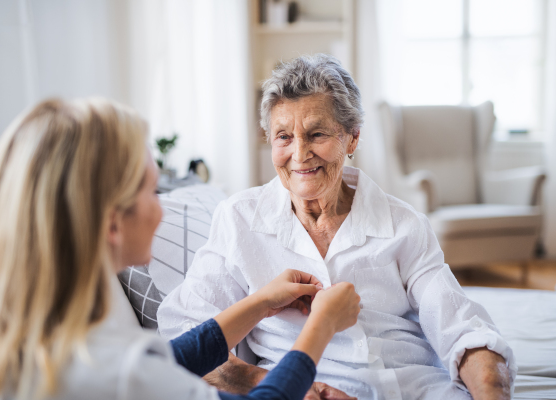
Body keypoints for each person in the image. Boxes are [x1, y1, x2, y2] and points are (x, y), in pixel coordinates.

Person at [157, 54, 516, 400]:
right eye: (284, 137)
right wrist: (266, 382)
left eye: (316, 135)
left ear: (352, 138)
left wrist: (489, 388)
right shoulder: (239, 219)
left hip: (414, 388)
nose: (299, 154)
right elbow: (185, 330)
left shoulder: (403, 225)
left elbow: (463, 329)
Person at [0, 98, 362, 400]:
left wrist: (260, 302)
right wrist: (321, 325)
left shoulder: (40, 342)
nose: (161, 207)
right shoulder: (123, 374)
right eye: (152, 190)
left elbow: (173, 359)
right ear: (113, 222)